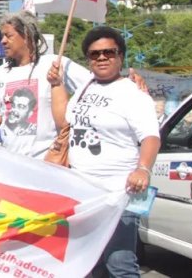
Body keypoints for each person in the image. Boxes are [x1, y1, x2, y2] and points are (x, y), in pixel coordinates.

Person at [49, 26, 160, 277]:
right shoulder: (85, 87)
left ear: (120, 56)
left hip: (118, 193)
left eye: (109, 52)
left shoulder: (133, 94)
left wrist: (143, 168)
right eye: (94, 54)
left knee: (119, 264)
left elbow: (151, 137)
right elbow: (64, 123)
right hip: (83, 195)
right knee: (87, 264)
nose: (101, 58)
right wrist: (56, 84)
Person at [0, 11, 91, 159]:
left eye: (9, 35)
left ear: (27, 36)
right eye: (2, 36)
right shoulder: (0, 73)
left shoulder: (54, 63)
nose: (3, 41)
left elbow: (93, 84)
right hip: (11, 163)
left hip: (48, 163)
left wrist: (130, 82)